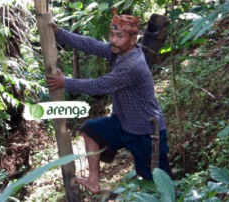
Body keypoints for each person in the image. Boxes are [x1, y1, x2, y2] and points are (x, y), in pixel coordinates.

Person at [46, 8, 173, 194]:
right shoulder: (119, 51)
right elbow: (91, 45)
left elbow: (99, 86)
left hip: (146, 133)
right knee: (91, 130)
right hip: (123, 123)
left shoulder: (131, 65)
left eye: (119, 36)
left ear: (133, 38)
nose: (113, 40)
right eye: (112, 34)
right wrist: (59, 33)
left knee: (158, 183)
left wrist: (65, 82)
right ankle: (94, 181)